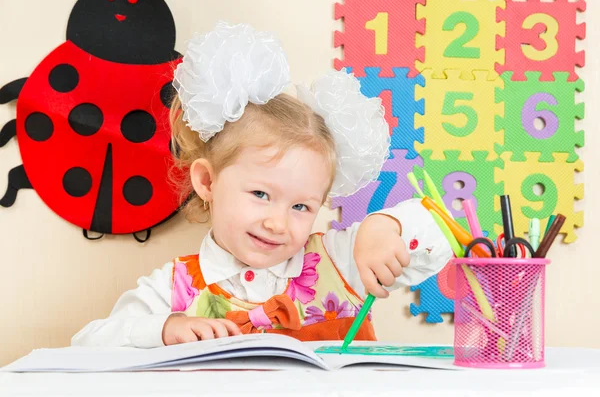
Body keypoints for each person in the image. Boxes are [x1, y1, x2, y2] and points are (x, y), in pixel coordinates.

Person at [72, 22, 452, 348]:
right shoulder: (175, 286)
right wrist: (166, 327)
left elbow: (439, 228)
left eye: (301, 206)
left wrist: (386, 228)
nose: (277, 223)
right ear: (207, 181)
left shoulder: (341, 261)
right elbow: (88, 343)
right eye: (260, 194)